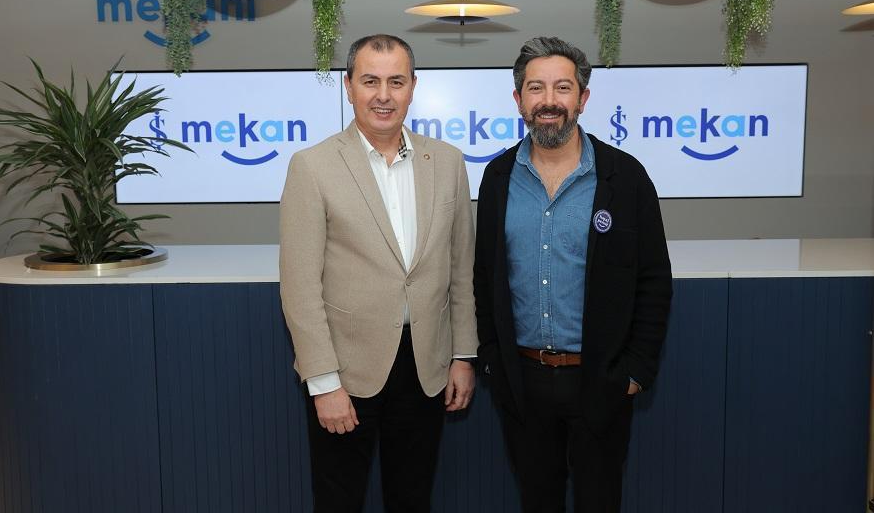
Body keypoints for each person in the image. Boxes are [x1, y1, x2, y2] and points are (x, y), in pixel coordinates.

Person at [279, 33, 478, 513]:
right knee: (339, 502)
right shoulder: (312, 167)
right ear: (348, 87)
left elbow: (460, 269)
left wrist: (463, 355)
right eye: (370, 81)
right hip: (347, 372)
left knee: (412, 500)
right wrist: (324, 383)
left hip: (426, 368)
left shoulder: (447, 161)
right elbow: (300, 288)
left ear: (413, 87)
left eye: (396, 82)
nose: (383, 95)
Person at [473, 36, 672, 513]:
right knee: (537, 501)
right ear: (518, 99)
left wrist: (635, 371)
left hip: (600, 381)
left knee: (599, 502)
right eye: (536, 88)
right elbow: (484, 277)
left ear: (583, 98)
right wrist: (493, 360)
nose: (549, 101)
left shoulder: (626, 177)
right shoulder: (497, 178)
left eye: (562, 88)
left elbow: (653, 280)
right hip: (523, 383)